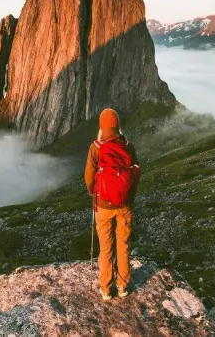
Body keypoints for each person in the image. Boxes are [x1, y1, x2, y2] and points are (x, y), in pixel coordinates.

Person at [84, 108, 141, 301]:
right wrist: (128, 194)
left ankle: (106, 289)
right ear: (118, 125)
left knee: (106, 247)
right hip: (125, 204)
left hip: (103, 205)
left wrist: (94, 192)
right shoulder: (128, 145)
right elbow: (135, 173)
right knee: (123, 244)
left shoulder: (96, 147)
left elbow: (89, 176)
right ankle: (123, 286)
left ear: (101, 126)